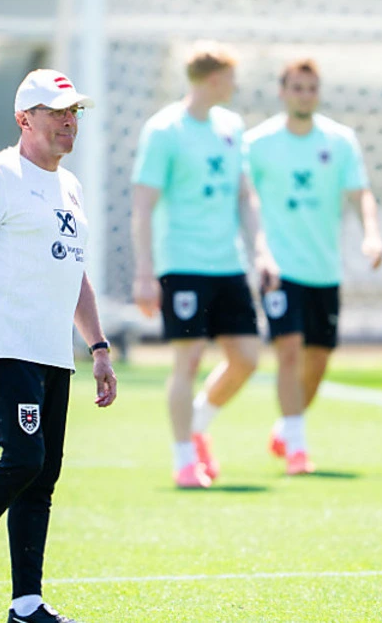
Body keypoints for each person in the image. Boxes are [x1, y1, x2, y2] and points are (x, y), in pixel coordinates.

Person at [0, 69, 117, 623]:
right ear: (23, 118)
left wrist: (99, 347)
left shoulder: (70, 186)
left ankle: (26, 602)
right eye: (56, 111)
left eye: (73, 112)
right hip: (8, 348)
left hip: (56, 352)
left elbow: (75, 275)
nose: (68, 121)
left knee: (42, 474)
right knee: (22, 459)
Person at [131, 41, 279, 488]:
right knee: (188, 361)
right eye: (232, 77)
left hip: (227, 264)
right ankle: (182, 461)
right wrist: (145, 272)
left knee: (247, 359)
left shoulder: (231, 126)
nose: (236, 86)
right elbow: (143, 204)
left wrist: (261, 251)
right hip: (183, 264)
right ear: (214, 79)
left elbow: (244, 194)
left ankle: (196, 427)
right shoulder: (164, 130)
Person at [246, 59, 382, 475]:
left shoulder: (340, 140)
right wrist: (257, 252)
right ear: (283, 91)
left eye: (311, 88)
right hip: (279, 268)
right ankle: (298, 449)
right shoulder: (258, 142)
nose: (304, 94)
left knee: (318, 361)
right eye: (297, 87)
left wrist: (372, 234)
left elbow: (361, 194)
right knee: (288, 352)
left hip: (324, 268)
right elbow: (245, 199)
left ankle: (286, 428)